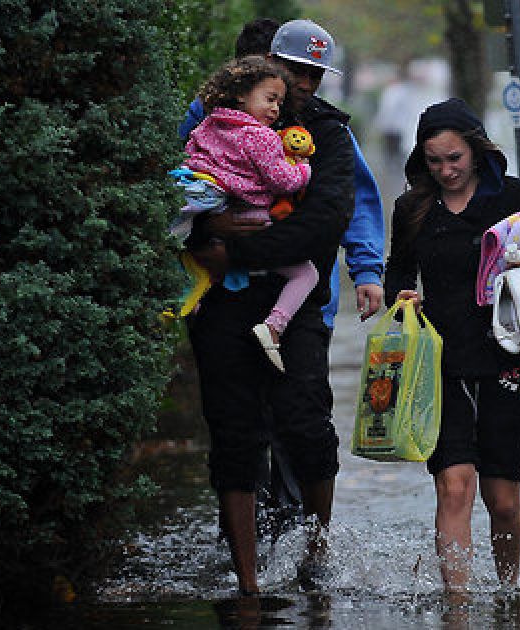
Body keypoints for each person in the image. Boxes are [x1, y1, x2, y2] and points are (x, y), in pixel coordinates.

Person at [177, 17, 386, 537]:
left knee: (301, 423)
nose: (305, 84)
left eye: (315, 74)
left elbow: (349, 203)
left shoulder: (326, 129)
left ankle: (298, 539)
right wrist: (206, 232)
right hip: (225, 297)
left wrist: (366, 268)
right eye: (296, 72)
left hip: (303, 297)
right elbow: (182, 189)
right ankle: (247, 544)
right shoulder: (206, 117)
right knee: (237, 429)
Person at [383, 98, 520, 593]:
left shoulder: (512, 197)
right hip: (440, 363)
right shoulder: (412, 208)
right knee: (453, 485)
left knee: (502, 499)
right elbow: (398, 272)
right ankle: (458, 607)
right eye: (434, 161)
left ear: (476, 151)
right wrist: (400, 299)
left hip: (508, 361)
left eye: (454, 159)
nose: (446, 170)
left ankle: (508, 592)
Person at [182, 55, 318, 372]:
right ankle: (274, 326)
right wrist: (304, 169)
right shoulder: (261, 136)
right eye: (270, 99)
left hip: (212, 210)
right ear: (242, 94)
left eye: (279, 103)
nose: (275, 109)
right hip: (251, 218)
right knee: (306, 273)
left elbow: (190, 156)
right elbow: (282, 181)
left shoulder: (210, 124)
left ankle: (194, 304)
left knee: (213, 270)